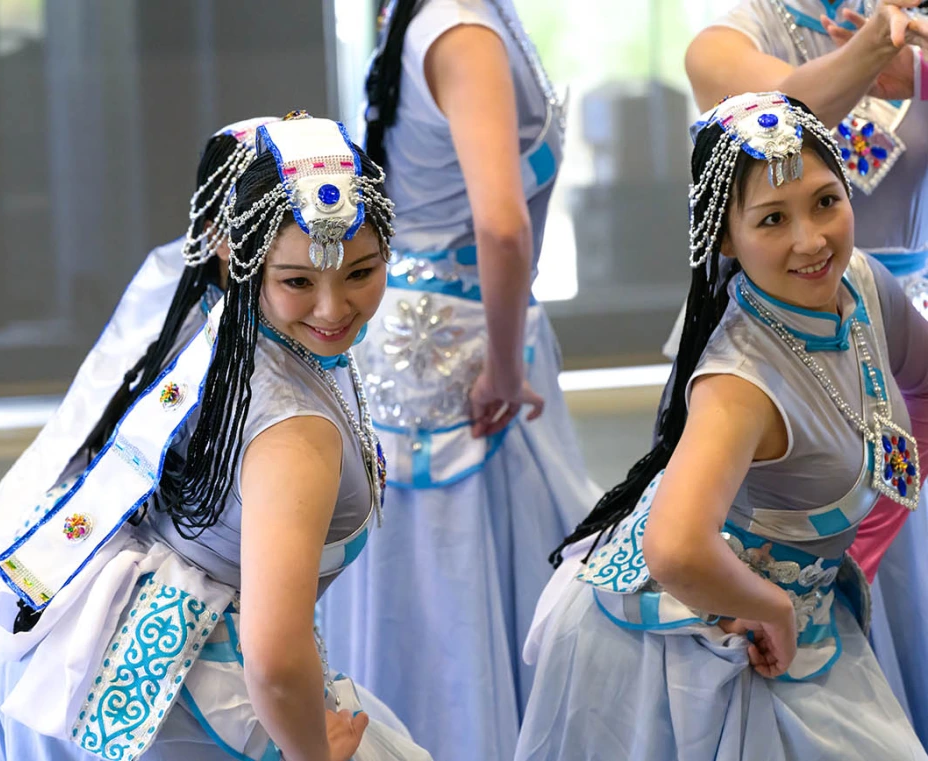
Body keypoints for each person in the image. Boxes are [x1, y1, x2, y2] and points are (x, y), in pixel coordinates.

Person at [0, 112, 432, 761]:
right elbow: (278, 660)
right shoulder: (294, 434)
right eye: (299, 281)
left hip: (97, 650)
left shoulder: (212, 322)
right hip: (194, 705)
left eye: (360, 273)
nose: (333, 309)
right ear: (240, 257)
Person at [515, 91, 928, 760]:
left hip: (809, 616)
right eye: (772, 218)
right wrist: (773, 606)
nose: (812, 239)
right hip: (696, 646)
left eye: (826, 200)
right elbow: (674, 548)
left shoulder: (862, 284)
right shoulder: (739, 382)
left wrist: (872, 540)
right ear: (727, 238)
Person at [318, 2, 599, 760]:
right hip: (463, 355)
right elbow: (502, 225)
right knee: (455, 599)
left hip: (437, 339)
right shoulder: (461, 30)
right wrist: (507, 363)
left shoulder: (448, 19)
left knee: (426, 591)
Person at [684, 0, 928, 736]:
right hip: (780, 332)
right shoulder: (732, 34)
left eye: (826, 200)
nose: (808, 230)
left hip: (891, 323)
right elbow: (785, 108)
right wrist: (874, 46)